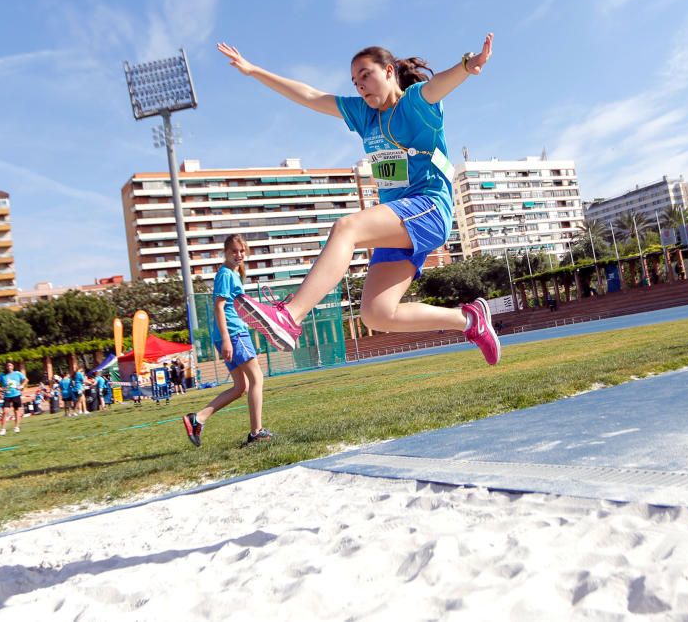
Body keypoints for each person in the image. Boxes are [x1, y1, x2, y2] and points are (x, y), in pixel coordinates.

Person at [217, 35, 500, 366]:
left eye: (366, 75)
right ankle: (469, 320)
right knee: (377, 314)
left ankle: (290, 315)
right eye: (355, 81)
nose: (360, 85)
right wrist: (254, 71)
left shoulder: (414, 104)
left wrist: (467, 65)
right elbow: (310, 95)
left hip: (428, 209)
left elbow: (438, 85)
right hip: (396, 222)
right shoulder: (363, 115)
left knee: (346, 228)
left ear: (389, 71)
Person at [183, 234, 272, 447]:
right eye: (234, 251)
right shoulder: (225, 274)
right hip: (233, 334)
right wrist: (226, 340)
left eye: (242, 251)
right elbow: (219, 306)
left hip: (233, 333)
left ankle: (198, 419)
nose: (239, 254)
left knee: (240, 387)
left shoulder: (233, 274)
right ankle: (256, 432)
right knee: (256, 379)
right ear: (225, 252)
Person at [0, 361, 26, 435]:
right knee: (5, 411)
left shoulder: (17, 373)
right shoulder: (2, 375)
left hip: (16, 395)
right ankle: (3, 429)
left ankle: (16, 427)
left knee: (16, 411)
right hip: (7, 396)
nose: (9, 367)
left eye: (10, 365)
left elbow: (25, 380)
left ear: (13, 366)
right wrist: (1, 389)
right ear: (6, 367)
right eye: (8, 366)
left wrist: (21, 386)